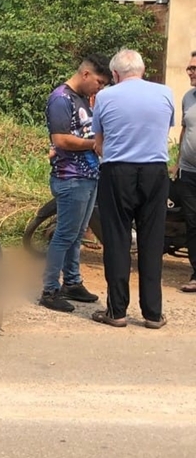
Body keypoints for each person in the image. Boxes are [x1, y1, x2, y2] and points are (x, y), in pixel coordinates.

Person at [90, 49, 174, 329]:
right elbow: (163, 129)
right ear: (142, 69)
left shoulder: (104, 96)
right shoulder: (165, 93)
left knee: (117, 240)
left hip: (117, 172)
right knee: (152, 241)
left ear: (114, 74)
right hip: (155, 172)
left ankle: (117, 312)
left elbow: (98, 141)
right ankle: (152, 313)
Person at [39, 54, 112, 312]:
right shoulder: (61, 98)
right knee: (64, 235)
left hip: (88, 175)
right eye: (99, 82)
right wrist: (95, 145)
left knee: (77, 234)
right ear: (86, 75)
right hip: (71, 177)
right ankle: (49, 290)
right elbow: (60, 140)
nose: (100, 88)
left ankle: (72, 282)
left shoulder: (81, 98)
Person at [170, 50, 196, 293]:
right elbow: (185, 130)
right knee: (192, 222)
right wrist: (178, 161)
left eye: (194, 68)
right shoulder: (188, 97)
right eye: (189, 68)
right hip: (188, 172)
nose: (190, 72)